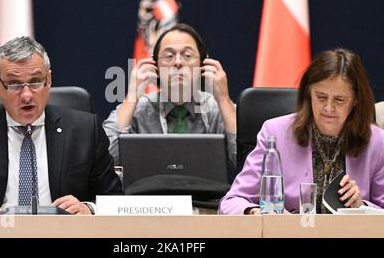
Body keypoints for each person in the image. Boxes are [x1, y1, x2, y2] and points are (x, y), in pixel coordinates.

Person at [0, 36, 122, 215]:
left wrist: (88, 208)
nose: (26, 95)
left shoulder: (85, 130)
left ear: (48, 81)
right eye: (15, 84)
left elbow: (113, 198)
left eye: (35, 82)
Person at [220, 48, 384, 215]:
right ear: (308, 92)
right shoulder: (275, 134)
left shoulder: (377, 142)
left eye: (339, 100)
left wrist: (360, 207)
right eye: (321, 97)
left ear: (356, 100)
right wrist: (257, 213)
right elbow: (231, 202)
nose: (328, 107)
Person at [103, 23, 237, 169]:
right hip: (149, 192)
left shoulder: (217, 108)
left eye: (187, 55)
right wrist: (131, 97)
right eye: (169, 56)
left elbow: (246, 163)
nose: (178, 62)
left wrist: (224, 100)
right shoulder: (139, 109)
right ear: (155, 67)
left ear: (202, 65)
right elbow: (105, 161)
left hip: (211, 192)